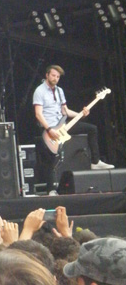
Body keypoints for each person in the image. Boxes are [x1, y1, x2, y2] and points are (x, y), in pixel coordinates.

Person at [33, 64, 113, 194]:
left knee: (92, 129)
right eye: (53, 75)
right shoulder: (39, 91)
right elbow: (38, 114)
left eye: (58, 76)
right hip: (50, 128)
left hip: (63, 124)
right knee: (51, 158)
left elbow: (66, 111)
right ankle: (51, 189)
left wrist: (81, 114)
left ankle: (95, 161)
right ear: (47, 75)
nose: (55, 78)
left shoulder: (59, 91)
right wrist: (49, 129)